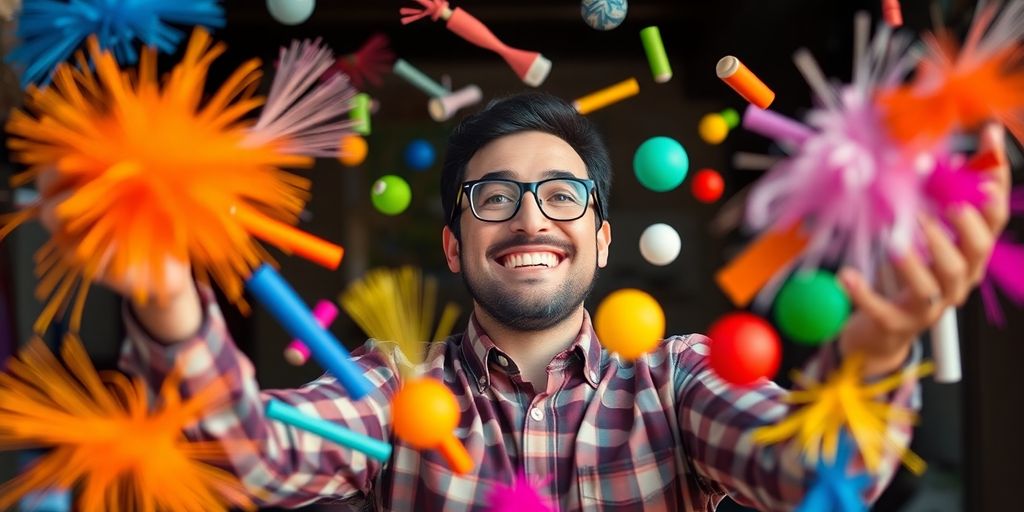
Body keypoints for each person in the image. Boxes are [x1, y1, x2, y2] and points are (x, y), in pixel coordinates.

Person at [52, 92, 1010, 511]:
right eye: (492, 196)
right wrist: (170, 305)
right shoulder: (392, 384)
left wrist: (875, 357)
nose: (528, 217)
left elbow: (816, 484)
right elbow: (246, 462)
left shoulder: (676, 377)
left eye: (561, 194)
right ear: (454, 243)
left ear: (598, 236)